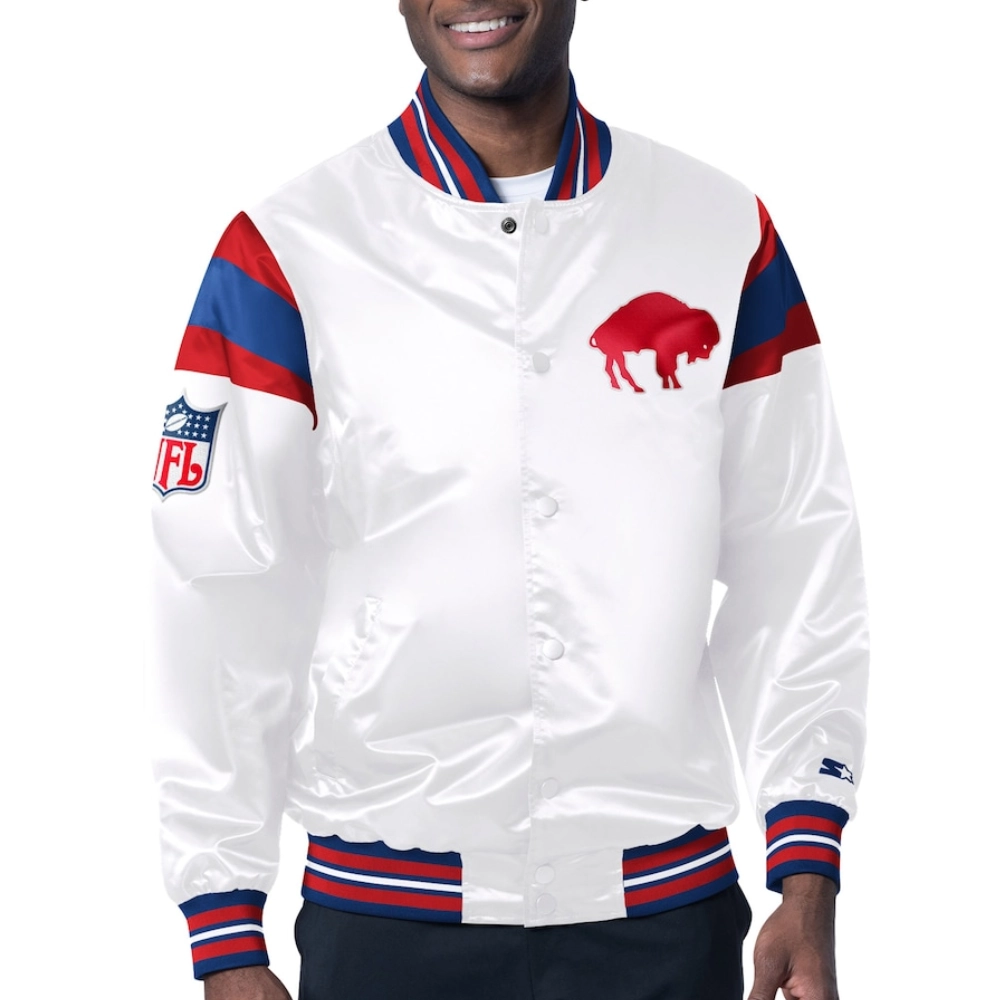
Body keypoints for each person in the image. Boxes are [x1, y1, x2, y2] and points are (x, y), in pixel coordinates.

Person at [149, 2, 869, 998]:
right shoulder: (285, 250)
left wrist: (807, 859)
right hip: (385, 923)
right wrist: (224, 925)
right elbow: (221, 590)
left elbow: (796, 558)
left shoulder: (720, 231)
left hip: (664, 920)